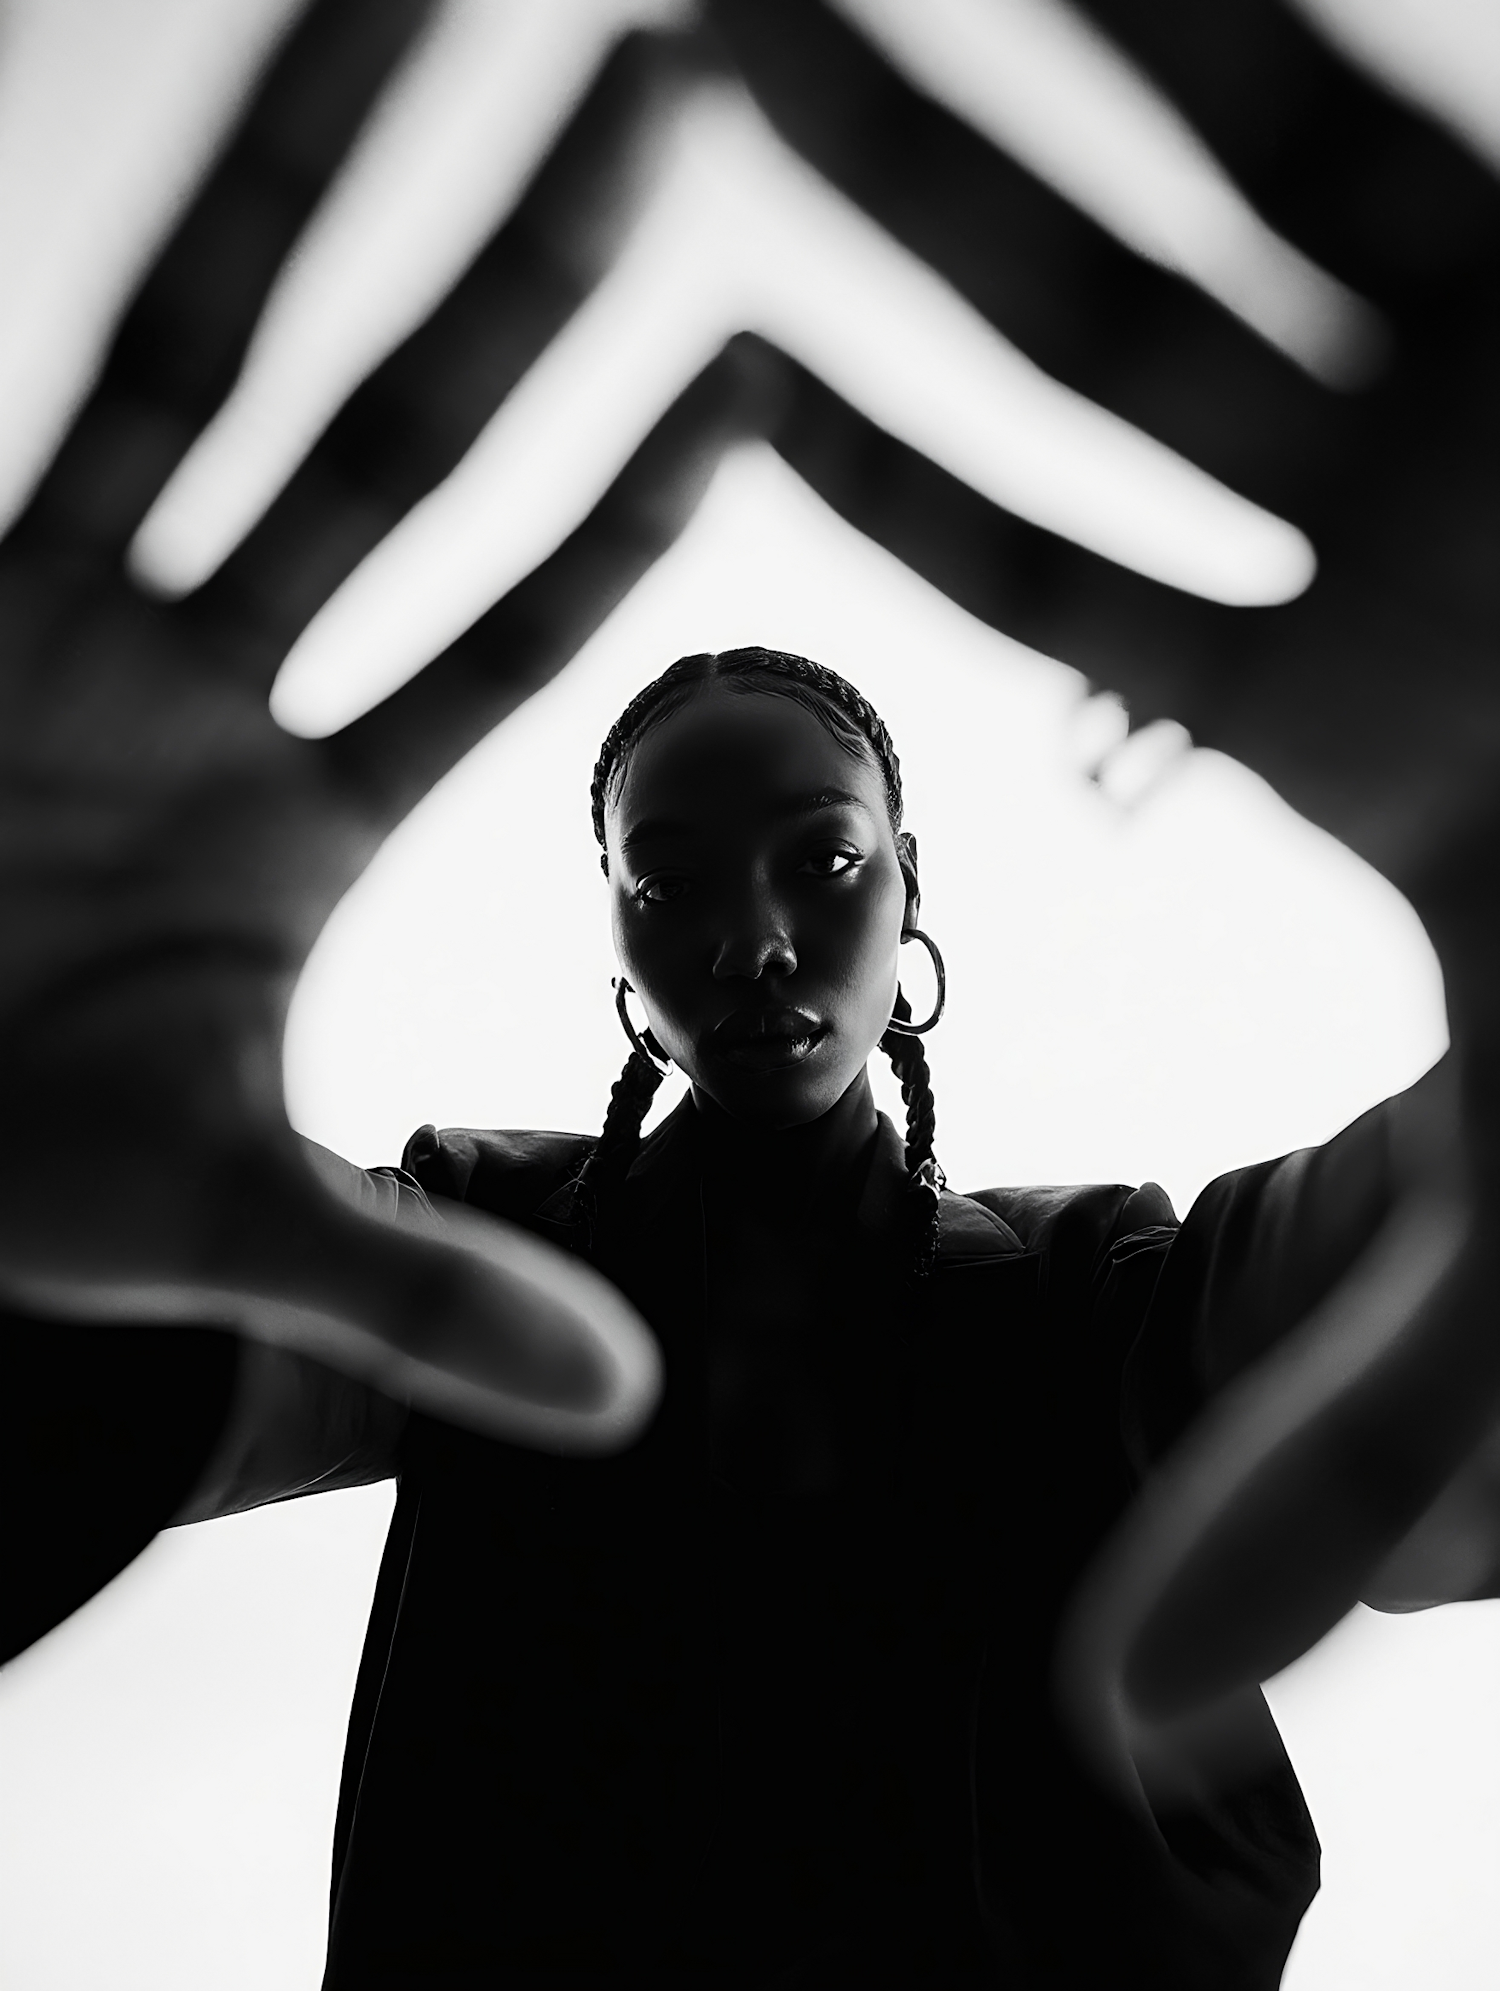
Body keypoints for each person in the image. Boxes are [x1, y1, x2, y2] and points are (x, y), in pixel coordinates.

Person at [134, 640, 1453, 1988]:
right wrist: (104, 1176)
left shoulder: (1082, 1286)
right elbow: (146, 1395)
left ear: (908, 884)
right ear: (615, 932)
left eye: (822, 859)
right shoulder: (486, 1247)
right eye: (669, 883)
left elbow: (1377, 1301)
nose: (754, 943)